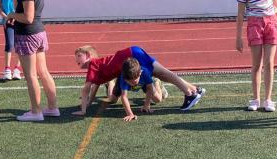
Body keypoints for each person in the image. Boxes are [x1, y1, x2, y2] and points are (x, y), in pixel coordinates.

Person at [73, 46, 204, 116]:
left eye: (79, 56)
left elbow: (86, 90)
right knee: (164, 75)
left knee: (164, 73)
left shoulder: (93, 65)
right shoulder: (96, 68)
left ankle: (189, 94)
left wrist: (83, 111)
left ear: (89, 56)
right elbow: (93, 89)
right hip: (133, 52)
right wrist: (87, 105)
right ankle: (194, 89)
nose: (76, 59)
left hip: (132, 54)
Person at [7, 0, 58, 123]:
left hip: (28, 34)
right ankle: (52, 107)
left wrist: (12, 15)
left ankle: (36, 111)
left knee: (31, 75)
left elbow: (28, 17)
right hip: (39, 33)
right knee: (43, 71)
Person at [103, 56, 168, 122]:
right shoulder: (124, 77)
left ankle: (157, 82)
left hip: (143, 83)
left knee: (158, 99)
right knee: (112, 100)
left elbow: (150, 88)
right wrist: (130, 114)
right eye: (130, 82)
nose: (133, 84)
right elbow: (124, 96)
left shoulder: (145, 72)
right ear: (125, 79)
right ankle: (110, 83)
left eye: (134, 81)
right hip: (125, 81)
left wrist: (146, 105)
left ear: (140, 73)